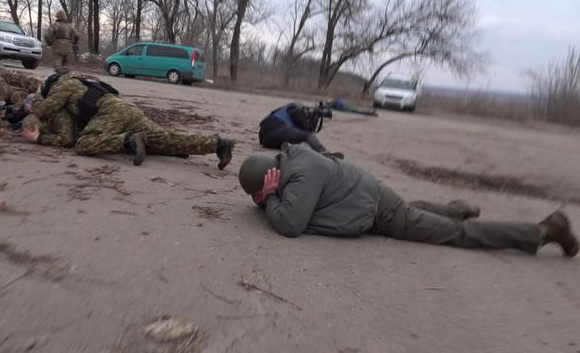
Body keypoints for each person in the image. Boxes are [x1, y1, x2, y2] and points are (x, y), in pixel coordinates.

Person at [237, 144, 579, 257]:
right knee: (414, 211)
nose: (261, 203)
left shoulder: (299, 177)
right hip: (374, 199)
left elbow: (291, 225)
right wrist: (269, 196)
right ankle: (456, 209)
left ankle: (544, 230)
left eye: (260, 195)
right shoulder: (293, 161)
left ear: (270, 180)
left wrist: (270, 200)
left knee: (456, 235)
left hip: (380, 212)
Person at [22, 73, 235, 169]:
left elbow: (46, 110)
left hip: (110, 112)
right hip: (126, 109)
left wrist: (40, 133)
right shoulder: (81, 81)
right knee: (165, 139)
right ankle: (218, 144)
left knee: (84, 144)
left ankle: (130, 140)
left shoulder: (63, 84)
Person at [258, 102, 330, 153]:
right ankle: (323, 152)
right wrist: (315, 117)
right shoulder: (296, 110)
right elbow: (308, 131)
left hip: (266, 141)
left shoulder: (280, 113)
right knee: (306, 136)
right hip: (277, 132)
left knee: (298, 141)